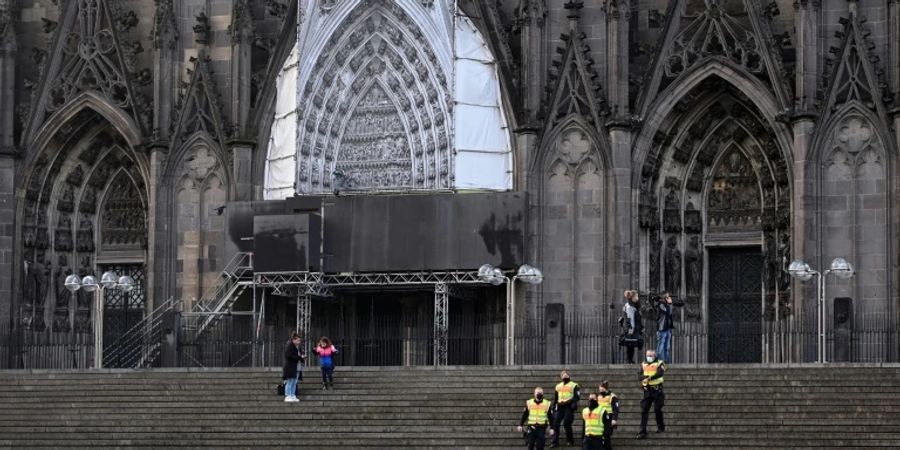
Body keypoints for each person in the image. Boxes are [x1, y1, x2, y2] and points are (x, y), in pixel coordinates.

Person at [638, 349, 666, 439]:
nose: (649, 357)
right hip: (647, 390)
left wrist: (649, 378)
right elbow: (639, 375)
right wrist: (644, 378)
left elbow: (660, 373)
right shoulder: (643, 364)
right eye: (647, 355)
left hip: (657, 390)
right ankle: (642, 431)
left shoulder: (660, 363)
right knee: (644, 410)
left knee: (657, 409)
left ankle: (661, 427)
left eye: (651, 356)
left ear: (654, 356)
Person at [551, 370, 580, 447]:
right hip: (560, 406)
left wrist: (569, 401)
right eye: (563, 375)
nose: (564, 376)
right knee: (555, 423)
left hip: (568, 406)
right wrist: (553, 406)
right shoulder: (558, 386)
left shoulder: (574, 385)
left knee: (566, 423)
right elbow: (556, 398)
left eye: (566, 374)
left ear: (569, 375)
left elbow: (577, 397)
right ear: (561, 377)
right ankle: (555, 442)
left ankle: (570, 441)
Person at [281, 333, 306, 402]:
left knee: (294, 382)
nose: (299, 342)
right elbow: (289, 356)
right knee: (290, 381)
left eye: (299, 340)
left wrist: (302, 357)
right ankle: (288, 395)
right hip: (291, 367)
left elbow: (298, 356)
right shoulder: (290, 346)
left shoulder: (297, 347)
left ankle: (292, 395)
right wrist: (300, 357)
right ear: (293, 340)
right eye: (298, 340)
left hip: (297, 367)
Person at [622, 290, 643, 364]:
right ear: (632, 297)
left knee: (632, 344)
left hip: (634, 328)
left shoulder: (634, 305)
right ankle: (629, 359)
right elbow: (629, 318)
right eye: (636, 296)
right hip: (631, 328)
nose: (638, 297)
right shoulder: (629, 306)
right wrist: (630, 328)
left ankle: (630, 359)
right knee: (630, 344)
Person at [598, 381, 620, 450]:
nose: (600, 391)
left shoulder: (612, 396)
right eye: (599, 390)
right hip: (600, 418)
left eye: (602, 390)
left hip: (609, 418)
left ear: (606, 389)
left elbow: (615, 409)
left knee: (606, 435)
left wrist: (614, 419)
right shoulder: (599, 397)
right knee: (603, 436)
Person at [656, 293, 674, 363]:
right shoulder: (661, 305)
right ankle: (660, 361)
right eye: (668, 297)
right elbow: (666, 312)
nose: (669, 298)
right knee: (661, 346)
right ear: (664, 298)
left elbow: (670, 313)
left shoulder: (667, 305)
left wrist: (670, 304)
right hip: (661, 329)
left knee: (667, 347)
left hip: (667, 328)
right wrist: (670, 304)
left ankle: (666, 361)